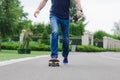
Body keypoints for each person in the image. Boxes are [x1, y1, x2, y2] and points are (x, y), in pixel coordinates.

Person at [34, 0, 82, 64]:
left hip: (65, 18)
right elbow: (44, 1)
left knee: (66, 39)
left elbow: (77, 1)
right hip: (54, 15)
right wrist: (38, 9)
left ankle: (65, 55)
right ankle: (54, 56)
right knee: (55, 32)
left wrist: (79, 10)